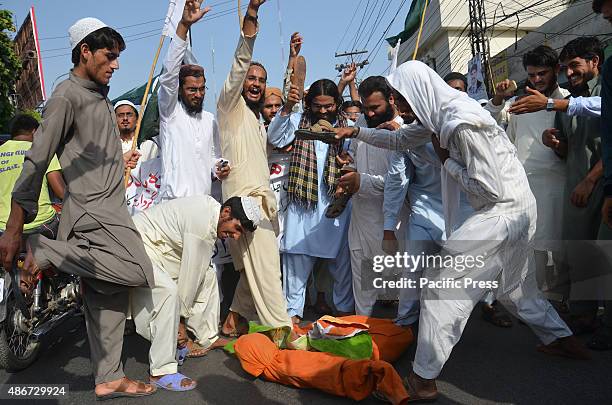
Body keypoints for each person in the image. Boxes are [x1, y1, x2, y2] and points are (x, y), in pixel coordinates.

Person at [335, 61, 586, 401]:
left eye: (400, 96)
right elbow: (403, 140)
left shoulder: (459, 123)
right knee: (511, 286)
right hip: (515, 208)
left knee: (440, 287)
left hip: (501, 212)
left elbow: (488, 188)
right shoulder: (440, 114)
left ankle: (422, 379)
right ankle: (562, 340)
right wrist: (358, 132)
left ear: (417, 92)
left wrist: (446, 161)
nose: (398, 105)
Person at [0, 18, 157, 399]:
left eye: (117, 57)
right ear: (84, 51)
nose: (115, 64)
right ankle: (46, 250)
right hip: (91, 214)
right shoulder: (65, 96)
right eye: (109, 55)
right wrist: (16, 228)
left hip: (113, 208)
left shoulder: (99, 97)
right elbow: (36, 161)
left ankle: (108, 377)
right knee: (138, 269)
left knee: (109, 297)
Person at [216, 0, 294, 340]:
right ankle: (283, 328)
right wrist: (251, 19)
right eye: (251, 78)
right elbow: (238, 65)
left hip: (263, 206)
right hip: (242, 207)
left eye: (261, 80)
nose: (256, 83)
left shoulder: (258, 121)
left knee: (254, 269)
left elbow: (289, 101)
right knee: (266, 269)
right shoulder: (229, 108)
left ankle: (233, 320)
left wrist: (291, 63)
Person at [131, 195, 259, 391]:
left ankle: (206, 336)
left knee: (207, 274)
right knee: (169, 293)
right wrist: (179, 323)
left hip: (161, 249)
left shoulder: (211, 214)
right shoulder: (202, 220)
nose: (236, 236)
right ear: (226, 213)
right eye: (237, 229)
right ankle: (161, 370)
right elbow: (189, 281)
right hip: (138, 245)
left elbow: (197, 271)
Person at [484, 45, 569, 302]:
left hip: (559, 184)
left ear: (556, 70)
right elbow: (494, 128)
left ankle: (561, 302)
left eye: (542, 73)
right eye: (531, 75)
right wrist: (499, 99)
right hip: (524, 186)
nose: (536, 80)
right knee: (530, 246)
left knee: (559, 246)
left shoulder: (566, 100)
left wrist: (556, 145)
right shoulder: (518, 104)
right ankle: (535, 303)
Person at [268, 78, 355, 323]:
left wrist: (347, 160)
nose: (324, 111)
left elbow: (356, 157)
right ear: (308, 104)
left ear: (337, 103)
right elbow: (276, 137)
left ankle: (344, 310)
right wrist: (286, 109)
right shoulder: (296, 122)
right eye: (318, 106)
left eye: (329, 106)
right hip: (302, 205)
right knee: (296, 260)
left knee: (341, 263)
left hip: (335, 204)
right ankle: (292, 313)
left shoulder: (346, 127)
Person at [542, 37, 609, 348]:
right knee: (580, 254)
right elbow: (569, 150)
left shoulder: (601, 95)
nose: (570, 73)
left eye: (576, 66)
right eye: (566, 68)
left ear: (595, 62)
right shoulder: (568, 104)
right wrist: (555, 144)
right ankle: (583, 316)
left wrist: (591, 180)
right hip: (577, 189)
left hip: (601, 186)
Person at [348, 75, 407, 316]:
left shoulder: (405, 130)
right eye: (366, 108)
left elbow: (399, 184)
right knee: (363, 286)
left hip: (393, 224)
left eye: (375, 108)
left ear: (391, 99)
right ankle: (362, 331)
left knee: (401, 285)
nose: (370, 114)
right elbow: (353, 154)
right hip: (361, 217)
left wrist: (362, 181)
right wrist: (349, 169)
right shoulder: (363, 121)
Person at [158, 0, 228, 202]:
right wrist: (183, 26)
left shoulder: (209, 119)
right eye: (191, 90)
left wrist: (220, 167)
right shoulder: (170, 113)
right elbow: (169, 76)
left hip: (203, 204)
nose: (198, 95)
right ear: (180, 90)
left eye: (201, 89)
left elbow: (212, 158)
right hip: (173, 203)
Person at [0, 114, 64, 238]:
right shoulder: (42, 151)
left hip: (4, 228)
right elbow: (61, 192)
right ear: (35, 131)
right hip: (42, 226)